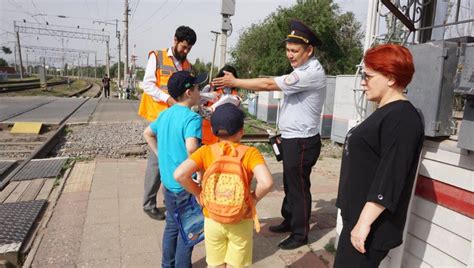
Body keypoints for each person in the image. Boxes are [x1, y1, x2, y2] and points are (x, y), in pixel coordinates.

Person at [213, 19, 327, 250]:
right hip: (292, 138)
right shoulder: (301, 69)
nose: (290, 55)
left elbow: (266, 84)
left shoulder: (309, 73)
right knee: (289, 182)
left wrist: (235, 81)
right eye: (287, 50)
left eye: (295, 51)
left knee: (299, 187)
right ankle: (289, 219)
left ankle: (300, 233)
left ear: (309, 50)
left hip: (302, 140)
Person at [333, 44, 424, 267]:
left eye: (368, 75)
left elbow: (391, 176)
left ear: (391, 78)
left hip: (370, 227)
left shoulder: (403, 118)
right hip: (357, 218)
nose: (363, 81)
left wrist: (363, 224)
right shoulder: (385, 112)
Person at [174, 103, 274, 268]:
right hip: (241, 218)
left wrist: (199, 193)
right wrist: (253, 199)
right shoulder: (250, 153)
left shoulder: (205, 151)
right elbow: (267, 182)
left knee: (215, 264)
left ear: (213, 131)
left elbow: (179, 175)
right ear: (241, 131)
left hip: (212, 217)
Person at [143, 71, 206, 268]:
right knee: (188, 231)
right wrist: (200, 173)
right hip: (185, 187)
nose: (199, 91)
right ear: (189, 92)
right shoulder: (192, 118)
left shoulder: (165, 114)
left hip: (169, 184)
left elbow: (148, 133)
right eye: (197, 88)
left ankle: (166, 265)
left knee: (172, 226)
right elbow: (191, 148)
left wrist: (161, 155)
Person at [138, 26, 197, 220]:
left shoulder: (187, 65)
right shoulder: (157, 56)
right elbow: (147, 84)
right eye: (184, 47)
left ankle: (170, 197)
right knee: (157, 160)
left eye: (189, 49)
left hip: (178, 117)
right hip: (159, 115)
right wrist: (167, 99)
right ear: (175, 40)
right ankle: (148, 203)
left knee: (176, 157)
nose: (186, 52)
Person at [200, 65, 241, 145]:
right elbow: (198, 107)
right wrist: (209, 110)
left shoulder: (235, 94)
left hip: (227, 133)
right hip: (209, 132)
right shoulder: (210, 88)